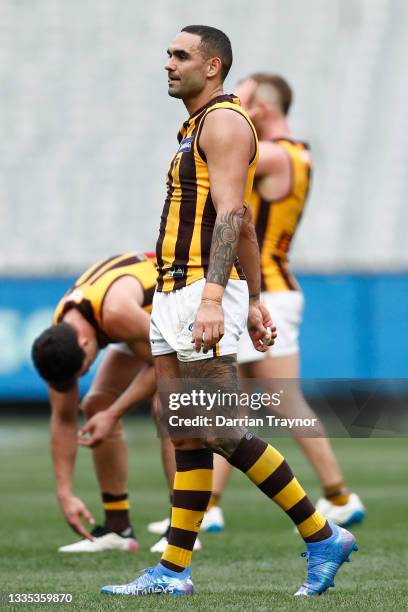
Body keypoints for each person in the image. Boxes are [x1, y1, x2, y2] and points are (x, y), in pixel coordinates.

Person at [101, 25, 357, 598]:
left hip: (198, 291)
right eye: (169, 54)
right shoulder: (197, 123)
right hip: (172, 293)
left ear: (211, 66)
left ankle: (322, 534)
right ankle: (172, 572)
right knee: (187, 432)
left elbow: (234, 216)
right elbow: (236, 216)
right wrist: (258, 298)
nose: (168, 63)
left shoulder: (222, 121)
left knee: (218, 429)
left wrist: (220, 299)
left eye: (180, 55)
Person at [202, 74, 365, 533]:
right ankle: (211, 504)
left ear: (264, 110)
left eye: (247, 104)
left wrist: (232, 101)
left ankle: (337, 494)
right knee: (239, 401)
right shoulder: (296, 152)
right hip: (271, 287)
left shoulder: (277, 152)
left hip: (267, 293)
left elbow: (231, 152)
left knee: (273, 401)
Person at [31, 252, 159, 553]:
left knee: (167, 406)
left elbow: (173, 362)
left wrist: (115, 413)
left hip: (193, 306)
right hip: (147, 319)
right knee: (95, 406)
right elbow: (63, 417)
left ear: (86, 344)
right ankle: (118, 529)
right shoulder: (59, 334)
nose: (84, 374)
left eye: (84, 370)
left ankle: (181, 529)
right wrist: (65, 493)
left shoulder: (116, 314)